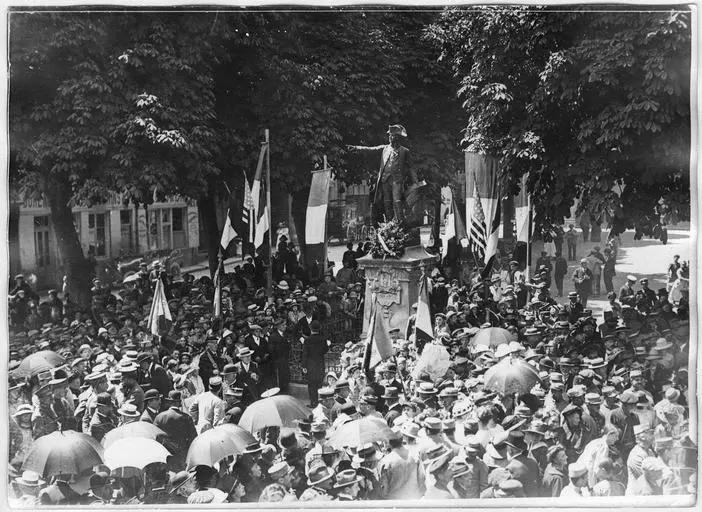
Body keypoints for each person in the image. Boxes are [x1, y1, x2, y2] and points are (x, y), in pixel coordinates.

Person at [347, 124, 418, 223]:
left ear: (397, 138)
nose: (390, 138)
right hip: (385, 179)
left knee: (397, 201)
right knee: (387, 203)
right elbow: (370, 150)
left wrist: (415, 181)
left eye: (393, 136)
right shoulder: (385, 148)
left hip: (397, 180)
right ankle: (390, 224)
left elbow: (411, 167)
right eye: (390, 136)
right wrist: (357, 148)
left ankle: (400, 224)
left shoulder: (405, 151)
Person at [301, 320, 330, 407]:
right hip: (320, 364)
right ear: (319, 328)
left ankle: (313, 402)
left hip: (310, 365)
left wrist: (304, 366)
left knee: (311, 385)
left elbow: (305, 354)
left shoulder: (308, 340)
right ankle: (320, 402)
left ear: (311, 329)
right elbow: (325, 350)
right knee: (319, 384)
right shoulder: (323, 339)